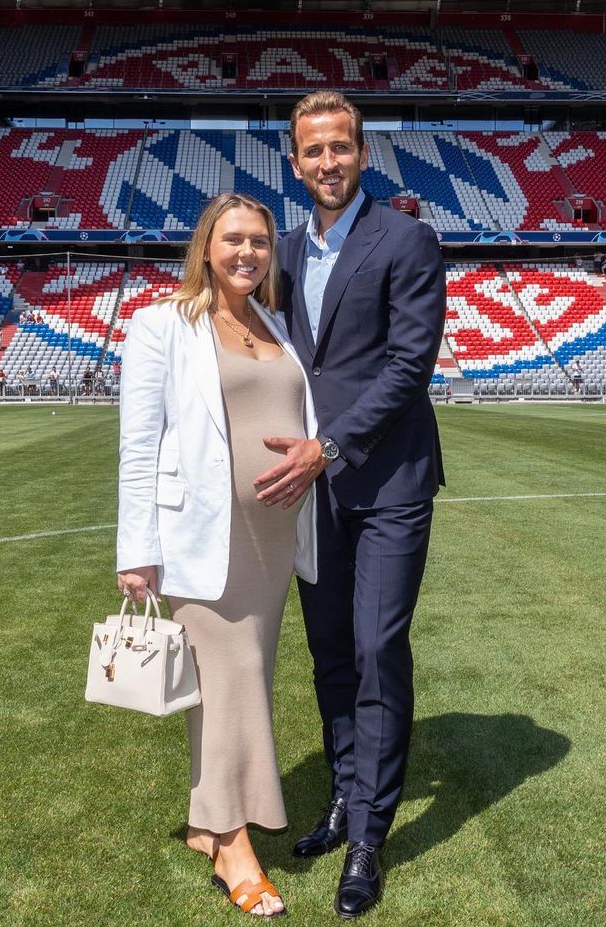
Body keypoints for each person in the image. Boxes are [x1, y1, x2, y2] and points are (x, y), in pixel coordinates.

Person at [254, 90, 446, 918]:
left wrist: (327, 446)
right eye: (312, 151)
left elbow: (409, 367)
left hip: (390, 480)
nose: (327, 162)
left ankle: (369, 834)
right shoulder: (283, 252)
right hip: (313, 492)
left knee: (376, 647)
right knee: (330, 651)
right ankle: (342, 794)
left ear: (362, 154)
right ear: (293, 163)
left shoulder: (407, 239)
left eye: (341, 147)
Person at [116, 192, 319, 918]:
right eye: (233, 239)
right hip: (204, 535)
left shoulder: (275, 321)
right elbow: (138, 447)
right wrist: (136, 550)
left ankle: (207, 823)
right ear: (207, 245)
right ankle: (233, 846)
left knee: (246, 677)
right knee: (230, 678)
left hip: (272, 539)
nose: (247, 253)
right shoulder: (161, 325)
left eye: (260, 241)